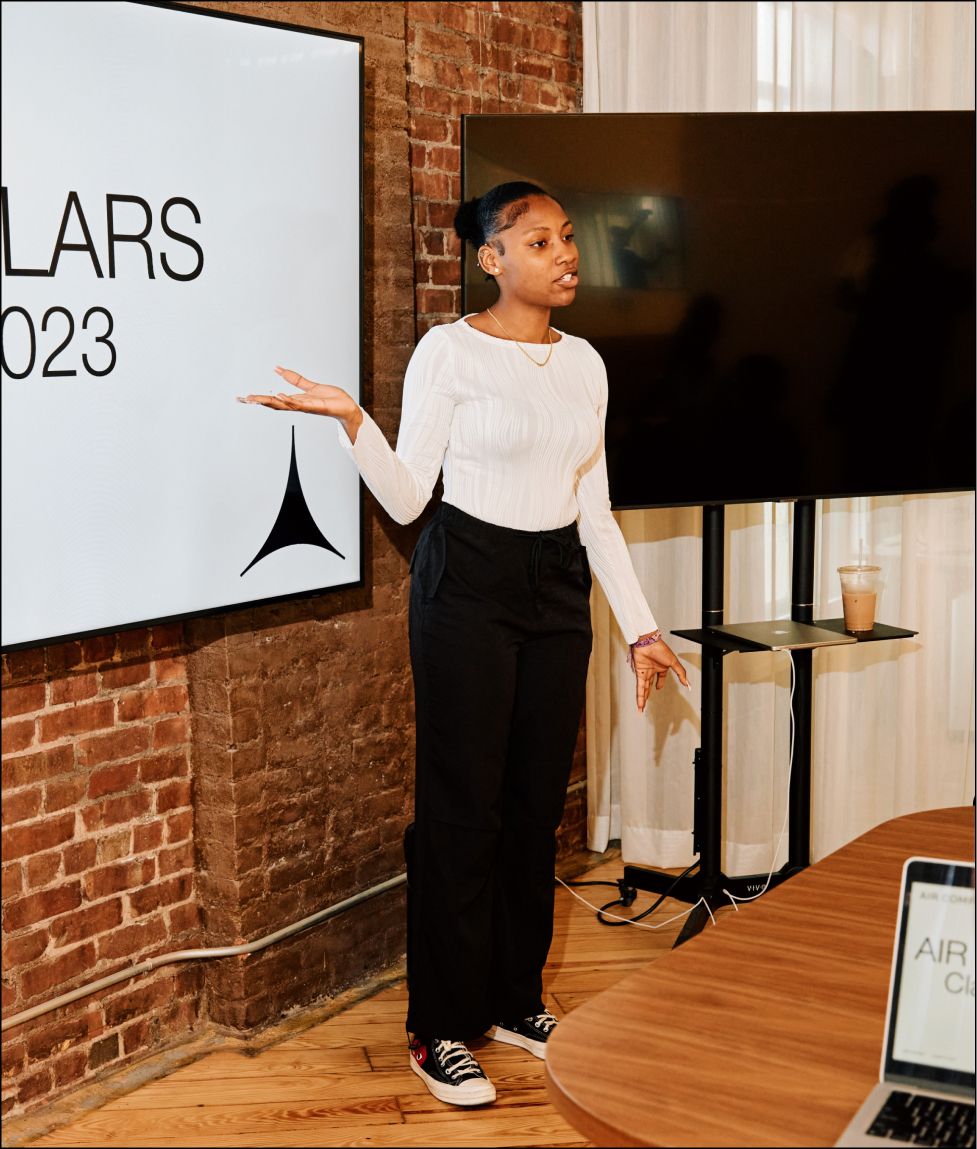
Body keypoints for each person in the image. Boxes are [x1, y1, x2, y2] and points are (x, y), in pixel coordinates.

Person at [239, 180, 689, 1108]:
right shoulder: (448, 352)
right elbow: (408, 498)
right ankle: (440, 1026)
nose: (565, 254)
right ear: (490, 258)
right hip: (468, 584)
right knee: (461, 812)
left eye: (567, 236)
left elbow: (594, 508)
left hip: (556, 590)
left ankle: (515, 999)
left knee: (532, 810)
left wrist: (640, 624)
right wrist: (353, 421)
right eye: (538, 241)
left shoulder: (586, 364)